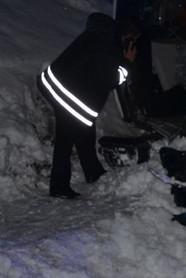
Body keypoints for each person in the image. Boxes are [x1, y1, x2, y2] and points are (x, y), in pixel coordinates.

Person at [38, 13, 139, 199]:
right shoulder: (108, 45)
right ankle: (59, 187)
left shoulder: (103, 37)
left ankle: (92, 172)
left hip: (60, 85)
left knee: (84, 126)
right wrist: (126, 62)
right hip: (62, 89)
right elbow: (110, 79)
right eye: (133, 40)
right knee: (65, 138)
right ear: (127, 37)